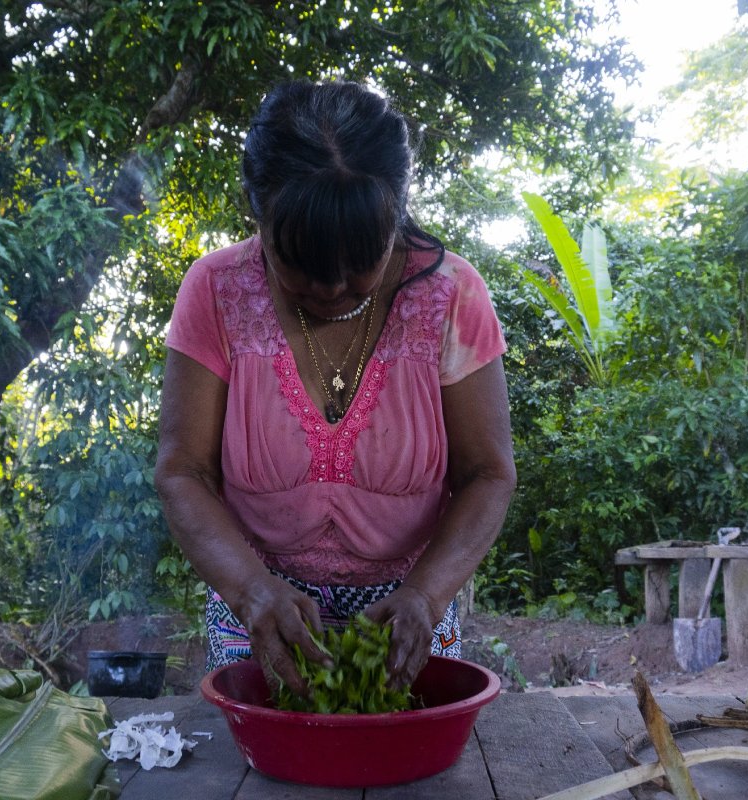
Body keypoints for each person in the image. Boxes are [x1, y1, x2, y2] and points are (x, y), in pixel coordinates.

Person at [155, 79, 516, 694]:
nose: (330, 289)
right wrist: (251, 590)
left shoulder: (451, 294)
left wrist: (425, 597)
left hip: (410, 618)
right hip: (257, 612)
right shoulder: (215, 290)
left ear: (393, 217)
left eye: (361, 263)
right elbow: (182, 471)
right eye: (301, 265)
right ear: (257, 214)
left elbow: (488, 473)